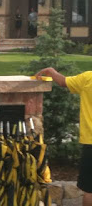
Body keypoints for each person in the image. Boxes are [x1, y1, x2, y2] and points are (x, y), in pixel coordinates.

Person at [35, 68, 92, 206]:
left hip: (91, 143)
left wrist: (51, 71)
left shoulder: (88, 78)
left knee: (90, 190)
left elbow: (63, 82)